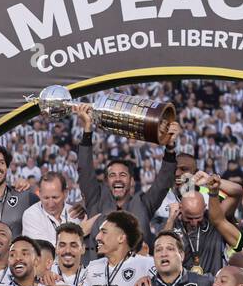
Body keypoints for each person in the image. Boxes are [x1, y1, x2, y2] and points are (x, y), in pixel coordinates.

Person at [75, 103, 181, 248]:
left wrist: (170, 147)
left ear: (131, 181)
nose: (117, 178)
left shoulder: (143, 204)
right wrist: (87, 129)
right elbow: (85, 170)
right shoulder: (96, 200)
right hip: (98, 269)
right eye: (112, 175)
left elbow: (163, 183)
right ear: (106, 181)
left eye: (123, 175)